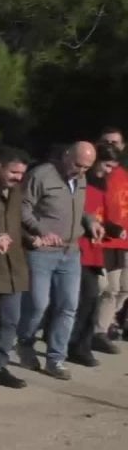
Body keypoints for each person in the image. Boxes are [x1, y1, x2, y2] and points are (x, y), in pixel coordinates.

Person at [18, 140, 100, 380]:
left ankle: (56, 359)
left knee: (68, 307)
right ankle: (25, 344)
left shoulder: (81, 179)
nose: (81, 171)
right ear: (66, 155)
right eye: (78, 164)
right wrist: (41, 230)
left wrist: (90, 221)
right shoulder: (42, 175)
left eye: (87, 167)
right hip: (42, 252)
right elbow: (23, 208)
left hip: (70, 252)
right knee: (38, 305)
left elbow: (77, 208)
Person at [70, 144, 125, 366]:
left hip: (94, 248)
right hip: (79, 246)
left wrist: (113, 229)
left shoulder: (102, 183)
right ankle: (74, 344)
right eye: (106, 165)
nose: (110, 171)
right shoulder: (83, 182)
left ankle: (81, 345)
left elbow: (99, 216)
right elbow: (82, 213)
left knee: (92, 298)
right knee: (84, 299)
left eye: (113, 167)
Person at [0, 147, 32, 389]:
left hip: (14, 265)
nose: (18, 177)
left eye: (22, 173)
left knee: (11, 321)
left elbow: (16, 226)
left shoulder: (16, 192)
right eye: (13, 172)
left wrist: (32, 239)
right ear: (0, 167)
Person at [96, 126, 128, 343]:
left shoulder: (123, 175)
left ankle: (106, 325)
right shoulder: (97, 174)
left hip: (122, 240)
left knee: (121, 289)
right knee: (103, 288)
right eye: (106, 142)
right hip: (102, 239)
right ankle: (96, 329)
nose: (111, 146)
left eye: (115, 142)